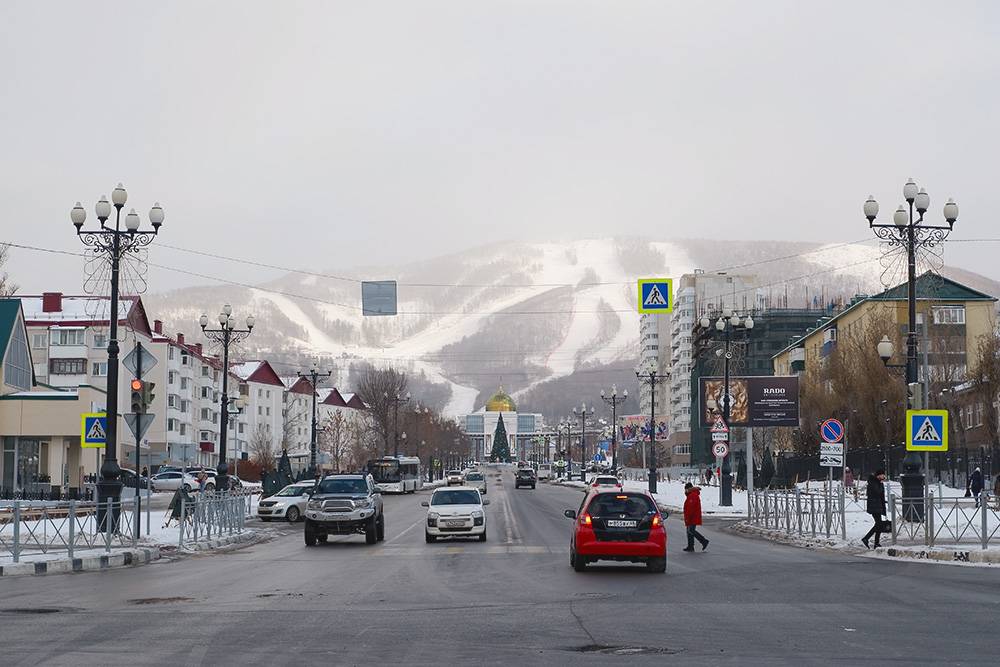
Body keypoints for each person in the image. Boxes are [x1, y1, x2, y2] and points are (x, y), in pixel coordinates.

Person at [862, 469, 887, 550]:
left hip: (877, 505)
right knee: (879, 524)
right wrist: (880, 484)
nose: (884, 476)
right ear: (878, 475)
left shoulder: (877, 482)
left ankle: (875, 542)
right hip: (874, 506)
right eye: (882, 475)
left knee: (878, 525)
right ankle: (867, 539)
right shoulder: (873, 482)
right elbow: (877, 492)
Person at [682, 482, 709, 552]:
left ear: (688, 489)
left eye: (685, 489)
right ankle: (690, 546)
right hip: (692, 516)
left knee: (691, 530)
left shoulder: (692, 496)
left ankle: (704, 541)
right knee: (689, 531)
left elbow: (690, 508)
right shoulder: (691, 495)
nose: (685, 491)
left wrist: (688, 518)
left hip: (692, 517)